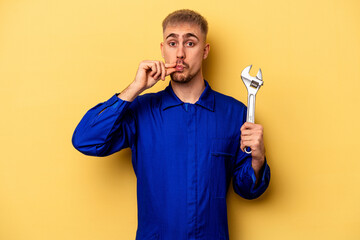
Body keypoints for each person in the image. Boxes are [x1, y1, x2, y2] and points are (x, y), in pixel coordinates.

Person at [72, 9, 270, 240]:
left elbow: (247, 190)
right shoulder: (140, 111)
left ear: (205, 51)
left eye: (190, 43)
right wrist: (135, 88)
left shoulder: (235, 113)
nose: (180, 54)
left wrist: (258, 158)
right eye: (173, 42)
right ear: (162, 49)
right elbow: (86, 140)